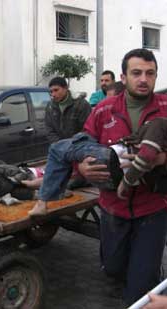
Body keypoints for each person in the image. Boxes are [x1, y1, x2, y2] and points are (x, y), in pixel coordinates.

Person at [77, 48, 167, 305]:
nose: (143, 79)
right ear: (124, 76)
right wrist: (82, 168)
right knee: (113, 268)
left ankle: (147, 277)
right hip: (112, 207)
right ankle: (135, 272)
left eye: (150, 73)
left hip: (154, 208)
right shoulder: (103, 110)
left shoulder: (165, 109)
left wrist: (161, 159)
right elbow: (80, 146)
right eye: (136, 72)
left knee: (139, 287)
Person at [28, 117, 167, 216]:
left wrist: (126, 182)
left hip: (112, 163)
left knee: (57, 149)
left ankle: (42, 202)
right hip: (118, 175)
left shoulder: (160, 123)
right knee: (78, 143)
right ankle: (41, 185)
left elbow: (147, 155)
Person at [45, 76, 91, 143]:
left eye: (56, 90)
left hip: (78, 148)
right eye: (51, 91)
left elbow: (87, 129)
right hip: (59, 148)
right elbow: (49, 129)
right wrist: (61, 145)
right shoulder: (50, 106)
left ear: (66, 88)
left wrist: (72, 144)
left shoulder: (81, 104)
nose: (53, 94)